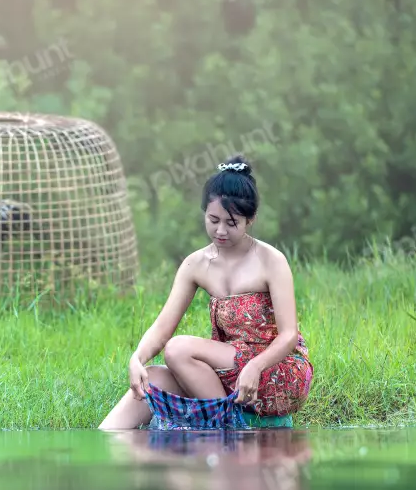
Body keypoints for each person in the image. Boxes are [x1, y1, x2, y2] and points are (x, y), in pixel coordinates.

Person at [99, 154, 313, 430]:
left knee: (177, 349)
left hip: (274, 370)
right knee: (148, 380)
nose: (220, 230)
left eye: (231, 222)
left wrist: (255, 366)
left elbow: (288, 335)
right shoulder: (195, 264)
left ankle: (228, 427)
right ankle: (103, 448)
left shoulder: (271, 260)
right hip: (224, 373)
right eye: (213, 220)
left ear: (250, 220)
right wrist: (136, 358)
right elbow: (164, 326)